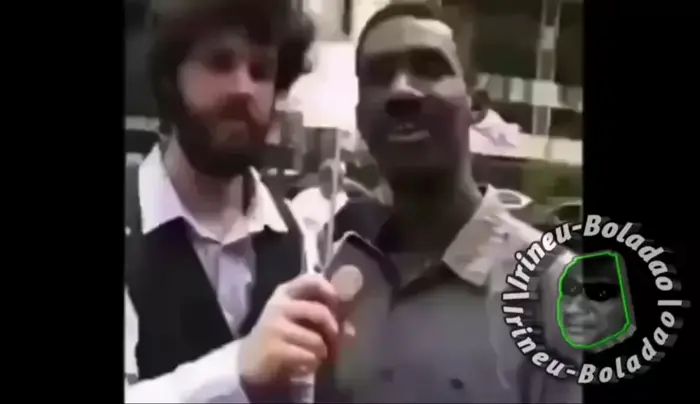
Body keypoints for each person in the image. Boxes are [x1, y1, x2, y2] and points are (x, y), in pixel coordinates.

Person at [321, 3, 582, 402]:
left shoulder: (555, 290)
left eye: (429, 67)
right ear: (359, 117)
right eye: (379, 75)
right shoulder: (340, 277)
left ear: (476, 105)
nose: (401, 90)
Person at [124, 1, 345, 401]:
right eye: (219, 62)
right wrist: (236, 369)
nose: (244, 88)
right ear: (172, 77)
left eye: (261, 70)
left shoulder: (296, 238)